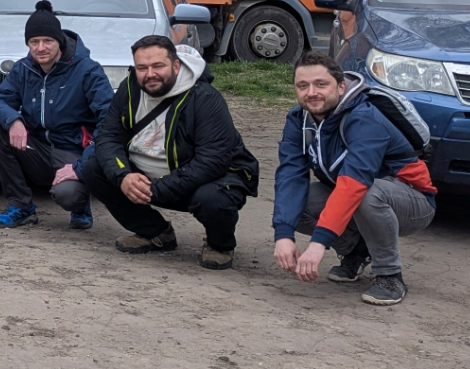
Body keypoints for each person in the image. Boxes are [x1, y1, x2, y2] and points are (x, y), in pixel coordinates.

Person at [272, 51, 438, 306]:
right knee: (297, 204)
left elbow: (355, 184)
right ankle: (356, 251)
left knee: (367, 194)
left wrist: (319, 243)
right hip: (355, 193)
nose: (311, 92)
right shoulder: (298, 119)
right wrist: (283, 234)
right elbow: (290, 174)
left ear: (340, 86)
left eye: (321, 84)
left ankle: (390, 275)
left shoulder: (365, 117)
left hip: (413, 201)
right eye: (302, 86)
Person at [84, 36, 259, 270]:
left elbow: (212, 161)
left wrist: (157, 190)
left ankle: (220, 245)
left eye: (158, 66)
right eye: (142, 68)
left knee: (212, 199)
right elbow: (108, 137)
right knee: (94, 168)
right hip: (148, 177)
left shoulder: (205, 98)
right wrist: (124, 175)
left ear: (175, 66)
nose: (150, 74)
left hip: (203, 179)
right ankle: (156, 233)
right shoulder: (129, 88)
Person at [0, 0, 114, 230]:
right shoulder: (23, 68)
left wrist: (80, 166)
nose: (40, 48)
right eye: (34, 42)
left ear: (60, 41)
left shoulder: (88, 70)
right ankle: (21, 206)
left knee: (69, 195)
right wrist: (13, 120)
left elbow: (109, 120)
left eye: (48, 41)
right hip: (37, 148)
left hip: (73, 149)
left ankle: (80, 205)